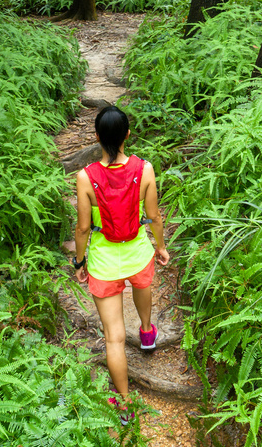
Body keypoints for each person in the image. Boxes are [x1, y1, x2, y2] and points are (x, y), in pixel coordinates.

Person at [72, 105, 170, 422]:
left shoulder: (85, 177)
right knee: (142, 286)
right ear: (128, 134)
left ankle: (125, 404)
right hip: (138, 252)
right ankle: (145, 332)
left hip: (102, 261)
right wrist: (160, 246)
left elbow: (84, 227)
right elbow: (154, 215)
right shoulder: (146, 169)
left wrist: (79, 261)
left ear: (97, 137)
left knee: (113, 337)